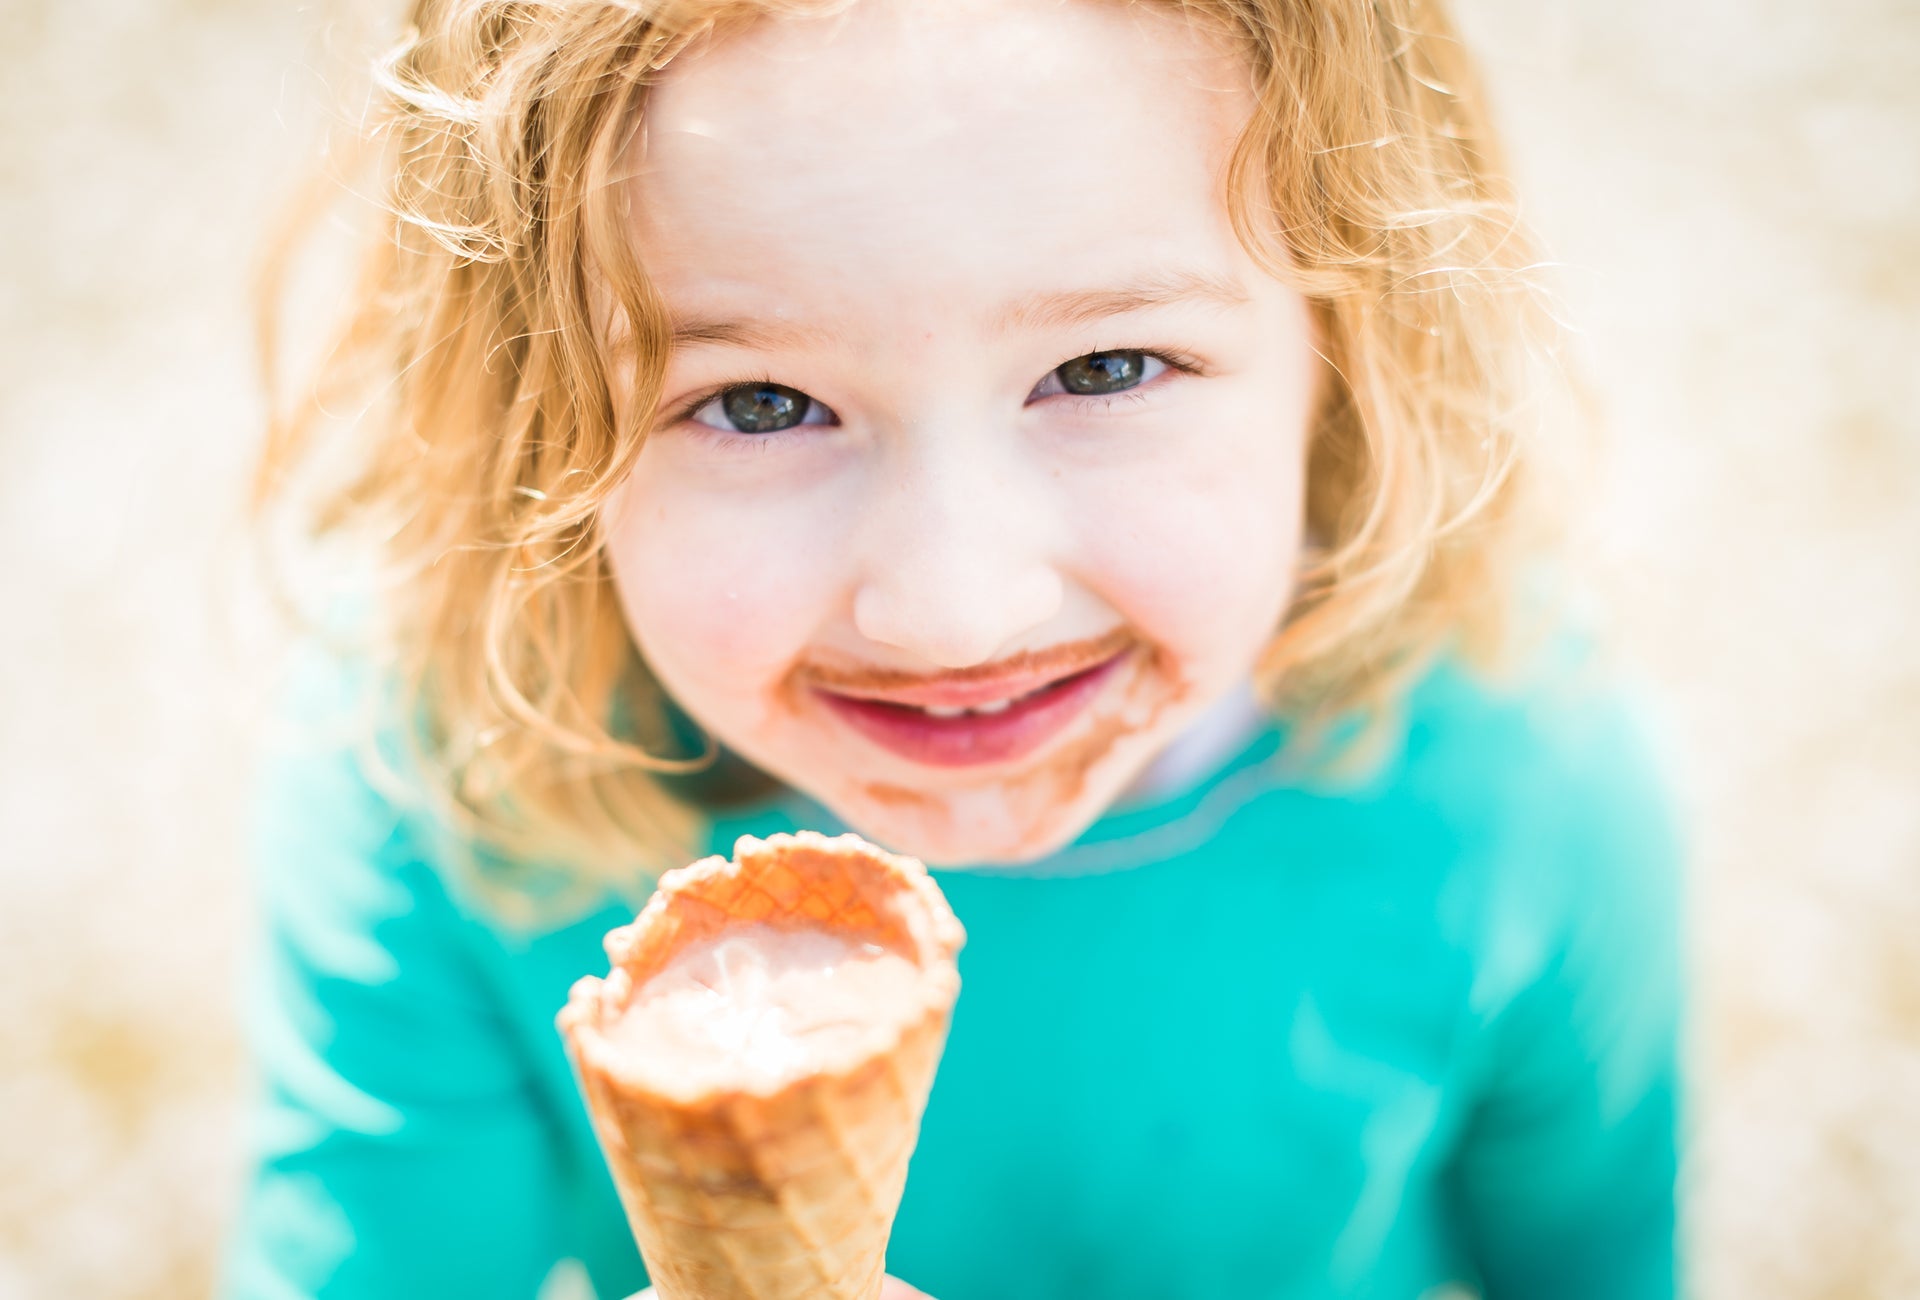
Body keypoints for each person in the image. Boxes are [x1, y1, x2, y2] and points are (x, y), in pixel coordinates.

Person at [225, 0, 1681, 1297]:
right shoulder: (448, 767)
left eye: (1105, 369)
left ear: (1352, 354)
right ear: (528, 420)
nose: (953, 610)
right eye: (757, 404)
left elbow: (1599, 1257)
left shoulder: (1507, 772)